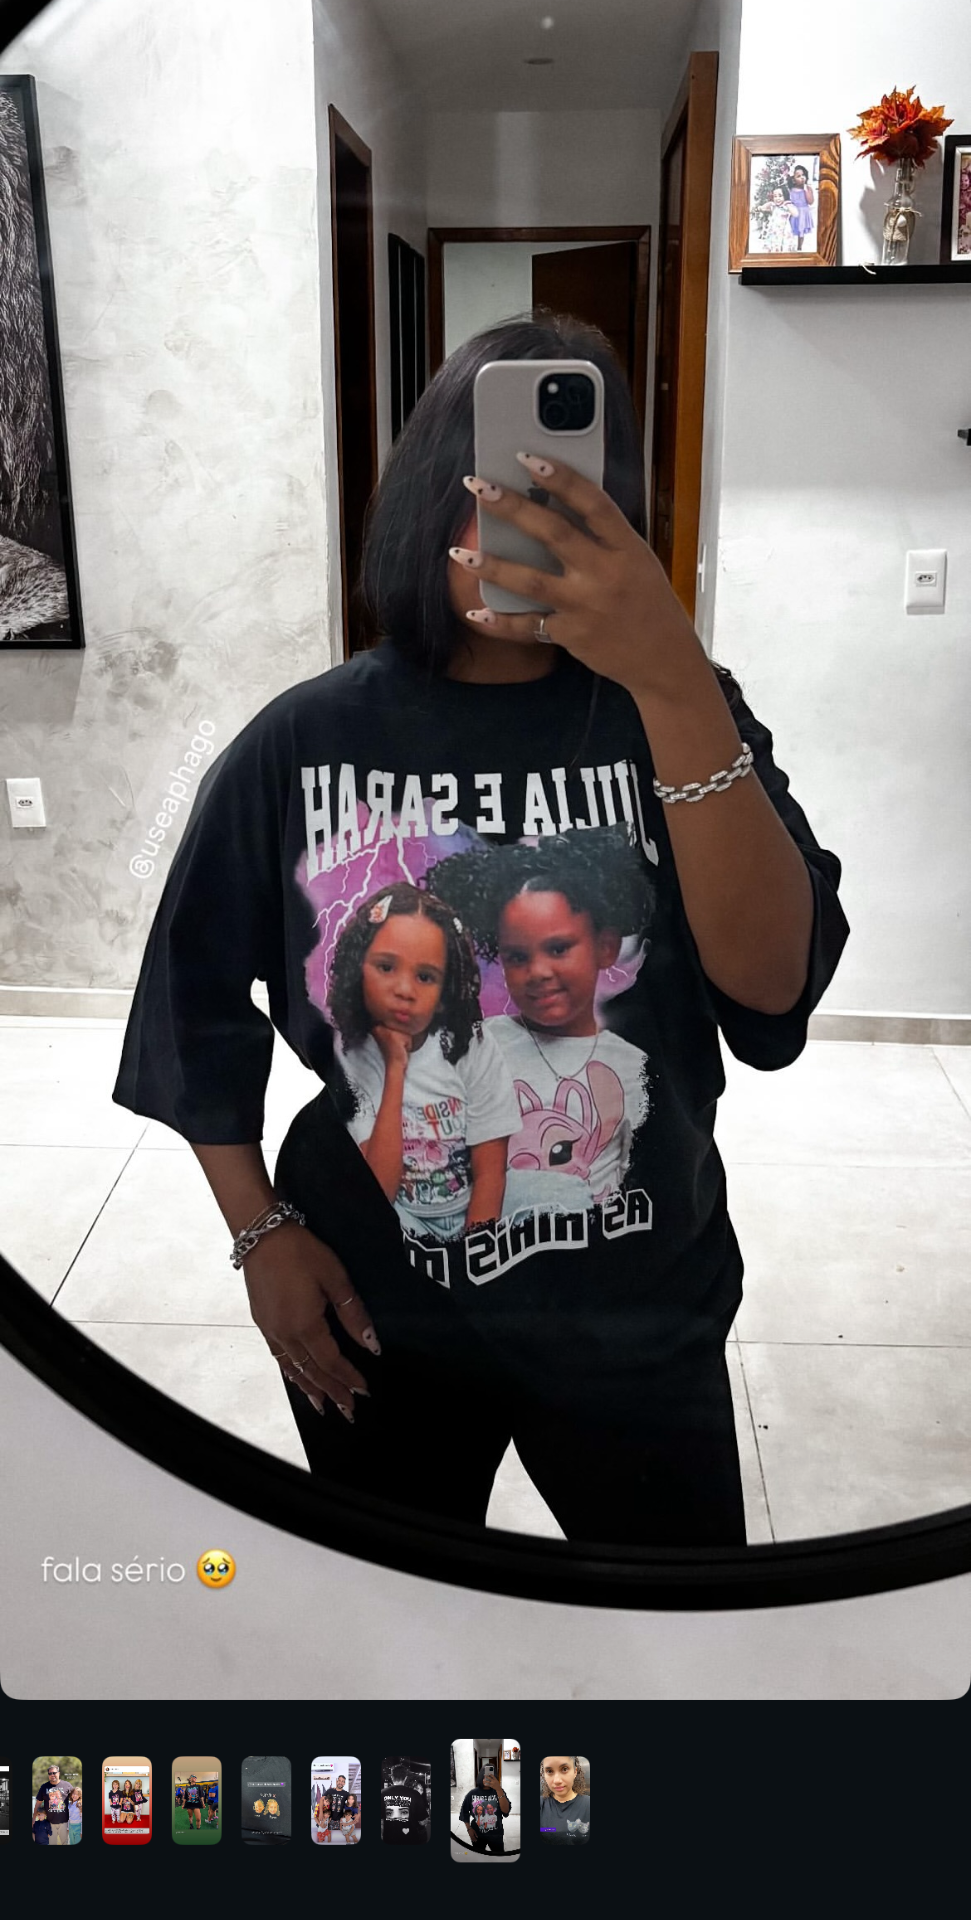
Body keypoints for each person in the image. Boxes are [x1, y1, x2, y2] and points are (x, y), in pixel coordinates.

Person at [113, 309, 848, 1548]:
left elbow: (770, 989)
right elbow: (187, 1002)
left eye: (572, 498)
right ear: (429, 502)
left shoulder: (677, 711)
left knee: (670, 1634)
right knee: (398, 1629)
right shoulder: (303, 738)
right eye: (500, 487)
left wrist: (672, 676)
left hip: (637, 1304)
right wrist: (259, 1237)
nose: (527, 529)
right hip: (373, 1302)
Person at [429, 829, 653, 1213]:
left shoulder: (633, 1067)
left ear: (605, 947)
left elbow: (634, 1176)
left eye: (558, 948)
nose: (538, 972)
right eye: (517, 957)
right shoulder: (478, 1046)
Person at [330, 883, 520, 1242]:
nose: (405, 990)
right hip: (402, 1217)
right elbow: (378, 1192)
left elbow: (491, 1171)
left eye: (425, 977)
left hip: (471, 1206)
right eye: (386, 967)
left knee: (561, 1192)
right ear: (358, 970)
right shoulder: (348, 1053)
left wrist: (474, 1254)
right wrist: (395, 1068)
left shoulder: (471, 1044)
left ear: (445, 990)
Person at [460, 1762, 510, 1854]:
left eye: (491, 1776)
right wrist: (469, 1829)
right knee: (478, 1856)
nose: (487, 1778)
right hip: (477, 1833)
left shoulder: (499, 1791)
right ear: (481, 1776)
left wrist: (498, 1789)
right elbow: (464, 1812)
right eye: (485, 1775)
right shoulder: (472, 1793)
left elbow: (506, 1811)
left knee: (499, 1857)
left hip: (496, 1834)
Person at [539, 1755, 590, 1845]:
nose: (557, 1780)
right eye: (549, 1771)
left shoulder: (588, 1804)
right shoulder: (541, 1804)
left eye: (564, 1769)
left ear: (575, 1772)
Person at [381, 1759, 428, 1844]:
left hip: (389, 1839)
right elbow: (422, 1822)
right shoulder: (415, 1794)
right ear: (405, 1778)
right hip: (410, 1840)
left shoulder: (382, 1793)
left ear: (391, 1777)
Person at [33, 1762, 73, 1847]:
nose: (52, 1775)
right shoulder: (44, 1787)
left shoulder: (67, 1785)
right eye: (50, 1773)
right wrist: (33, 1819)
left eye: (54, 1773)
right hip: (49, 1823)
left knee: (65, 1843)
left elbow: (75, 1799)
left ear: (59, 1773)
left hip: (64, 1822)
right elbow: (38, 1803)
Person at [786, 164, 815, 249]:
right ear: (793, 179)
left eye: (803, 175)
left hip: (803, 213)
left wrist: (806, 190)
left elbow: (810, 202)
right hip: (794, 212)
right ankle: (790, 246)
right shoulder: (791, 190)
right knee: (791, 229)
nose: (802, 177)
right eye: (798, 176)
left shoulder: (808, 188)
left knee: (801, 232)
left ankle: (799, 247)